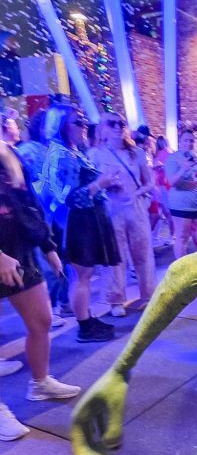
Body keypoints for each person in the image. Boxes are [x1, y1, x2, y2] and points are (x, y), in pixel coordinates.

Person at [0, 141, 80, 440]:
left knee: (42, 321)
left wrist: (48, 247)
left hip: (19, 252)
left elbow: (29, 203)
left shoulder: (7, 152)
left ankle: (40, 382)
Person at [42, 105, 121, 342]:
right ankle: (84, 326)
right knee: (82, 275)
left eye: (84, 121)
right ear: (62, 126)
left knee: (84, 275)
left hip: (88, 219)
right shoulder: (62, 154)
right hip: (78, 222)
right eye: (78, 122)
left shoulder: (72, 151)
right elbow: (66, 197)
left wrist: (104, 186)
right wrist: (100, 184)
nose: (84, 126)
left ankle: (86, 318)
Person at [89, 113, 156, 317]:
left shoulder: (136, 153)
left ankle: (149, 294)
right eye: (112, 123)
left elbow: (150, 182)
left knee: (143, 251)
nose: (118, 127)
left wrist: (137, 193)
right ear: (103, 127)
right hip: (110, 209)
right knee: (115, 256)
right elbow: (90, 186)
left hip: (134, 207)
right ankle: (116, 299)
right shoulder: (95, 154)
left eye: (121, 123)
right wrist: (106, 185)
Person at [16, 110, 72, 321]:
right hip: (41, 216)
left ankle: (63, 303)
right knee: (48, 262)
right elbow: (25, 184)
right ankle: (51, 309)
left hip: (59, 214)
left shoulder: (57, 150)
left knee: (63, 258)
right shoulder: (28, 150)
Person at [164, 127, 197, 258]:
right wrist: (183, 169)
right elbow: (171, 182)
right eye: (186, 140)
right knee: (182, 237)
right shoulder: (173, 158)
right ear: (180, 141)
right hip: (180, 204)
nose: (189, 143)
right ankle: (181, 270)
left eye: (191, 140)